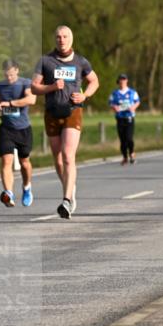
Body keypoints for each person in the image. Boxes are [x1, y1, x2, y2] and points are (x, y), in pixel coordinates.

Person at [31, 25, 100, 219]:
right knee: (58, 159)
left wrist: (85, 95)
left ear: (72, 39)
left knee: (68, 155)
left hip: (73, 111)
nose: (62, 40)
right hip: (52, 113)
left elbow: (94, 81)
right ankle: (70, 187)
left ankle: (67, 200)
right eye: (58, 36)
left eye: (65, 36)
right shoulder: (45, 61)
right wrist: (51, 87)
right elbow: (34, 88)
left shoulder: (81, 61)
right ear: (55, 39)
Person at [0, 59, 35, 207]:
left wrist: (10, 104)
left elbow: (31, 99)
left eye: (11, 74)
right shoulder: (0, 86)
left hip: (23, 129)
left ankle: (27, 188)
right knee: (6, 161)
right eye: (6, 75)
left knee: (25, 163)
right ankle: (8, 193)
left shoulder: (25, 83)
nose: (9, 78)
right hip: (6, 129)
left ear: (17, 70)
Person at [109, 73, 141, 166]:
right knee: (122, 139)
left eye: (124, 79)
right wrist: (114, 107)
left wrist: (133, 107)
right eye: (121, 79)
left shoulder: (132, 92)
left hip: (129, 117)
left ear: (127, 81)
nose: (122, 81)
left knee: (129, 138)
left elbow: (137, 101)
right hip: (120, 118)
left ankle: (131, 153)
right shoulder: (115, 93)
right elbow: (111, 103)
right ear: (118, 81)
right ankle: (124, 157)